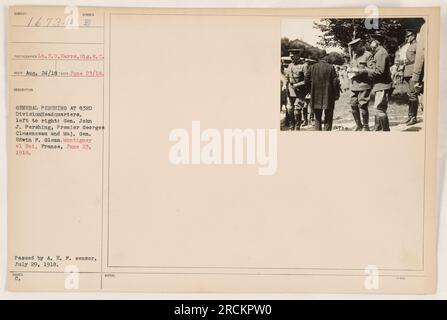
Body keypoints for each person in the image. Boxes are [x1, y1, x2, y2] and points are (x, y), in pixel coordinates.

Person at [359, 32, 393, 131]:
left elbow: (379, 71)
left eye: (371, 41)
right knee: (378, 108)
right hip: (380, 85)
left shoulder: (381, 53)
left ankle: (386, 131)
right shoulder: (379, 52)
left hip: (383, 85)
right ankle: (378, 129)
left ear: (376, 42)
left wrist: (365, 70)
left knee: (379, 109)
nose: (370, 44)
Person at [305, 55, 339, 131]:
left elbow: (306, 80)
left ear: (318, 58)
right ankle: (327, 133)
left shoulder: (312, 67)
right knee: (328, 115)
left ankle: (318, 133)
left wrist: (310, 91)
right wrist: (336, 94)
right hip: (329, 95)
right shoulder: (331, 67)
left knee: (317, 116)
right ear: (326, 59)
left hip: (315, 95)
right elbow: (335, 82)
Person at [348, 38, 374, 131]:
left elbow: (372, 70)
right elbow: (352, 66)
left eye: (355, 48)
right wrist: (350, 70)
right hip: (354, 84)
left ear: (360, 45)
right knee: (353, 104)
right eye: (352, 49)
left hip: (364, 84)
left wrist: (360, 70)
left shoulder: (368, 55)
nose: (353, 51)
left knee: (363, 105)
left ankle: (366, 126)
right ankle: (359, 125)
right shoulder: (354, 55)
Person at [285, 49, 308, 130]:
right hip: (290, 91)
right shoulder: (290, 65)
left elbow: (307, 80)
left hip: (300, 92)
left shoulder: (304, 66)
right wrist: (285, 86)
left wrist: (297, 85)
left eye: (292, 56)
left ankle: (297, 127)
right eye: (290, 56)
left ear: (297, 56)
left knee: (297, 110)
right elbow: (287, 77)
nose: (291, 58)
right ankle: (292, 126)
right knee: (289, 109)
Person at [401, 29, 419, 125]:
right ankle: (410, 116)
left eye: (408, 36)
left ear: (413, 35)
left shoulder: (417, 46)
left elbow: (418, 60)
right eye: (406, 36)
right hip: (407, 73)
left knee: (413, 95)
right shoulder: (409, 46)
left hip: (413, 73)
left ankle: (414, 117)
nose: (406, 38)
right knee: (409, 95)